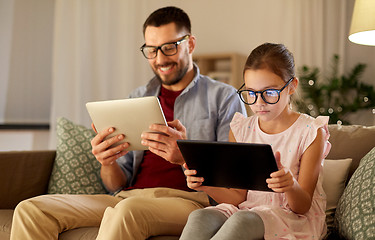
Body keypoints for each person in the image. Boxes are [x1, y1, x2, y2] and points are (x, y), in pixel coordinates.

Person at [10, 6, 246, 240]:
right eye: (151, 50)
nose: (160, 59)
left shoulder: (223, 98)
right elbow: (115, 182)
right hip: (127, 197)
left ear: (190, 44)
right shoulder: (137, 98)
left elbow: (234, 184)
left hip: (191, 202)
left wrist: (184, 156)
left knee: (128, 212)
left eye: (169, 48)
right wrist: (107, 161)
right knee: (31, 209)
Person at [180, 43, 331, 240]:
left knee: (242, 220)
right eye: (251, 93)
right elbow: (238, 197)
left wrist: (290, 185)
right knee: (200, 216)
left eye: (269, 92)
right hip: (246, 210)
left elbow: (302, 206)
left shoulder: (311, 132)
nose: (259, 103)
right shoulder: (241, 130)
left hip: (290, 218)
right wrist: (205, 185)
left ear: (292, 86)